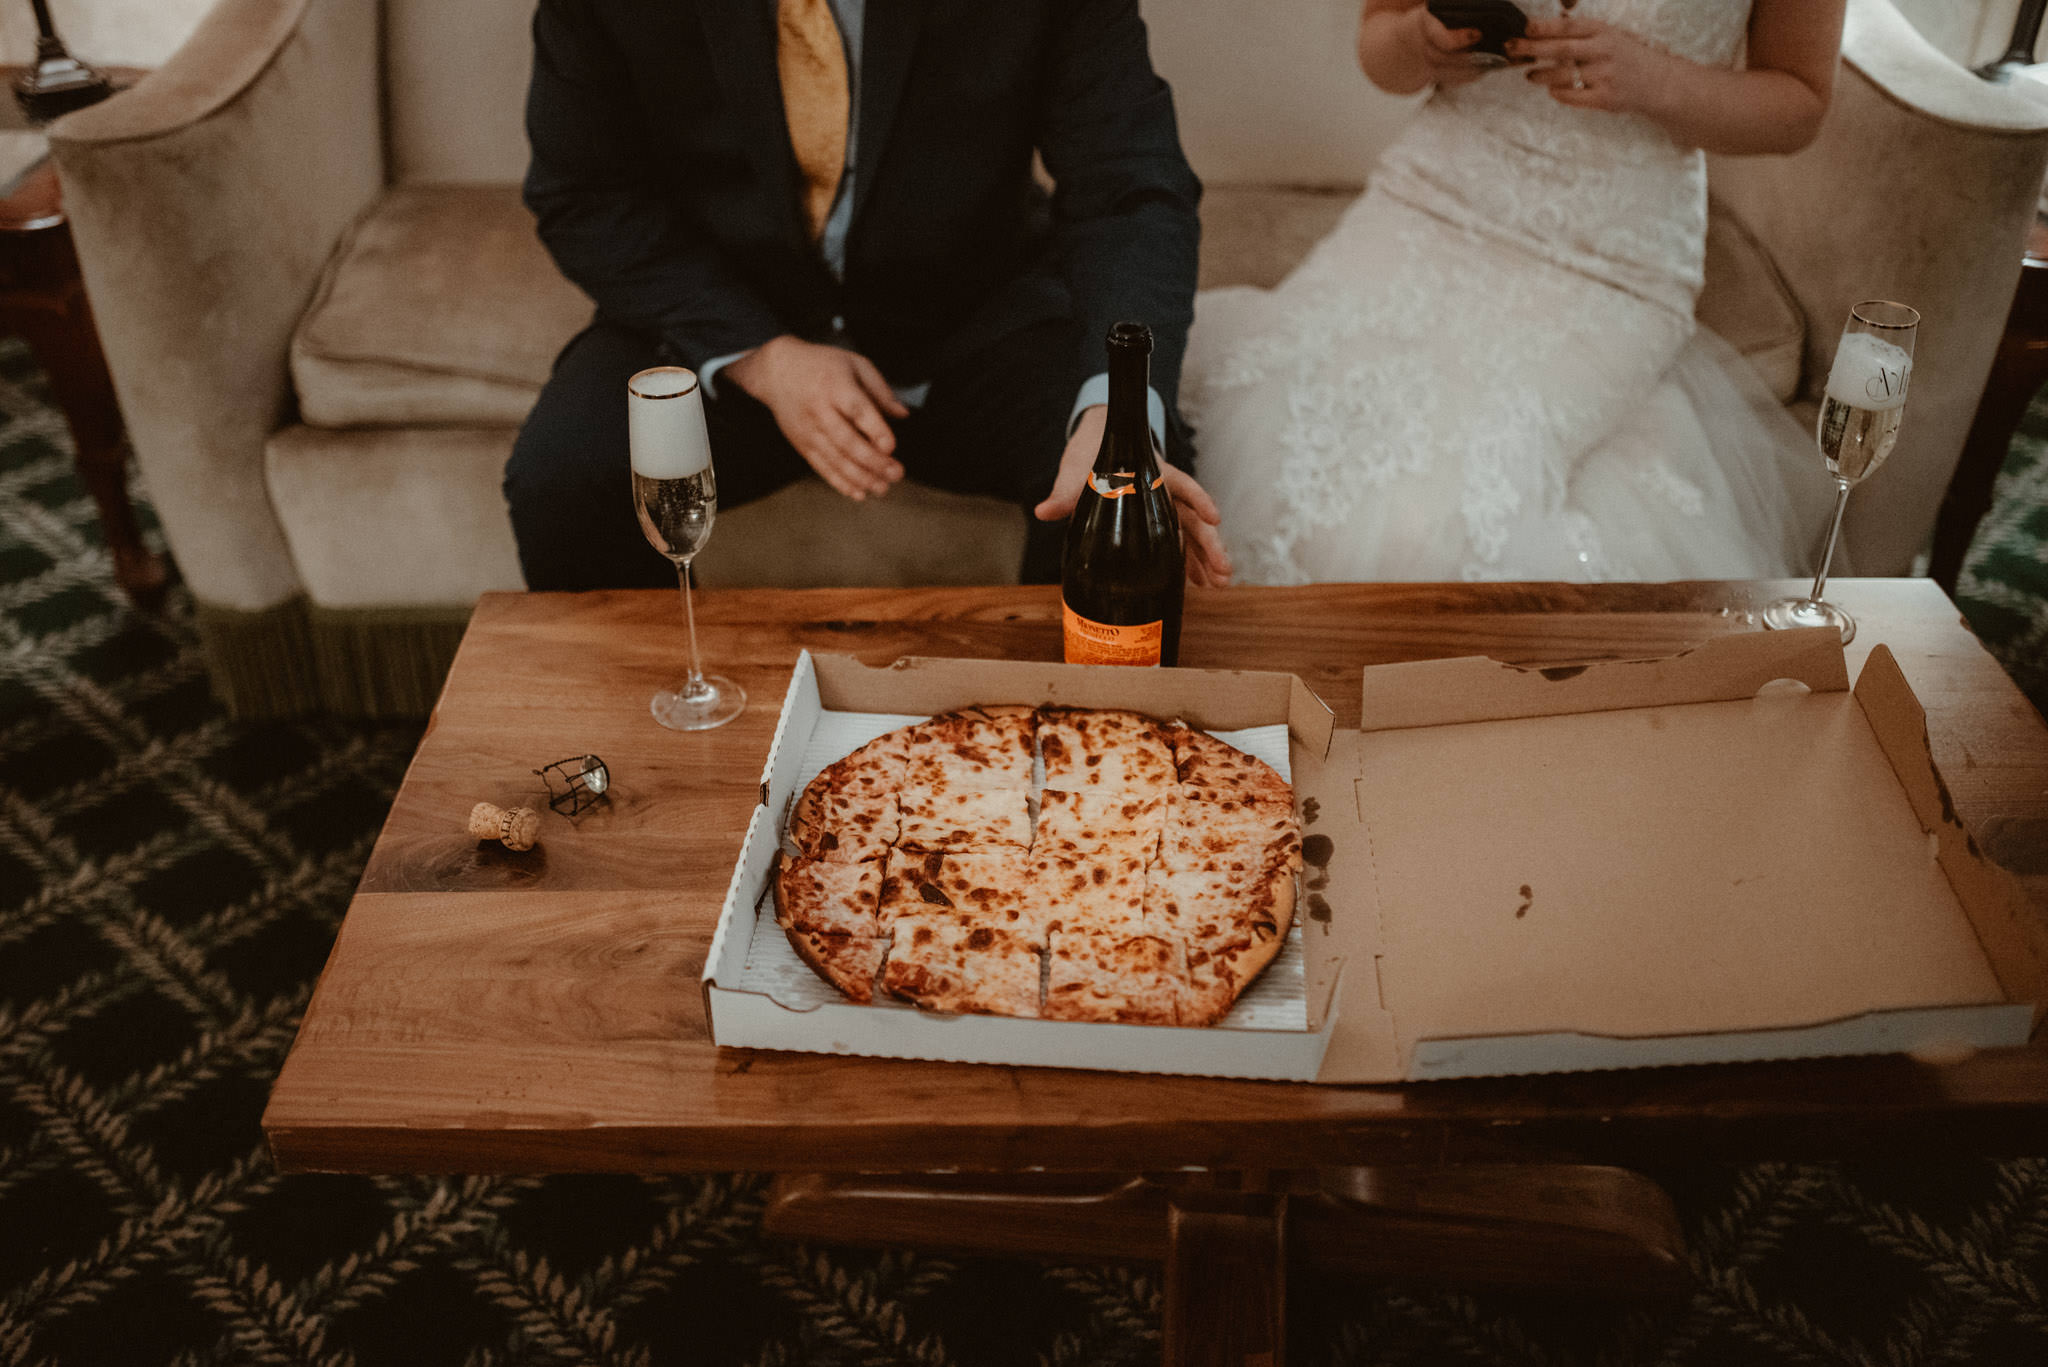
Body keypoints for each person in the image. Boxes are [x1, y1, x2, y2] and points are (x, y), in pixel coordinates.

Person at [506, 0, 1231, 590]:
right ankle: (642, 737)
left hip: (977, 317)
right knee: (564, 477)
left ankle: (1073, 742)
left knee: (1125, 490)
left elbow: (1129, 187)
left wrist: (1117, 412)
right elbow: (584, 194)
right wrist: (762, 356)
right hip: (734, 318)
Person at [1181, 0, 1849, 584]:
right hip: (1433, 201)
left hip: (1611, 259)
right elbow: (1379, 44)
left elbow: (1800, 106)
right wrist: (1421, 41)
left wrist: (1662, 82)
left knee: (1431, 525)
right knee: (1267, 439)